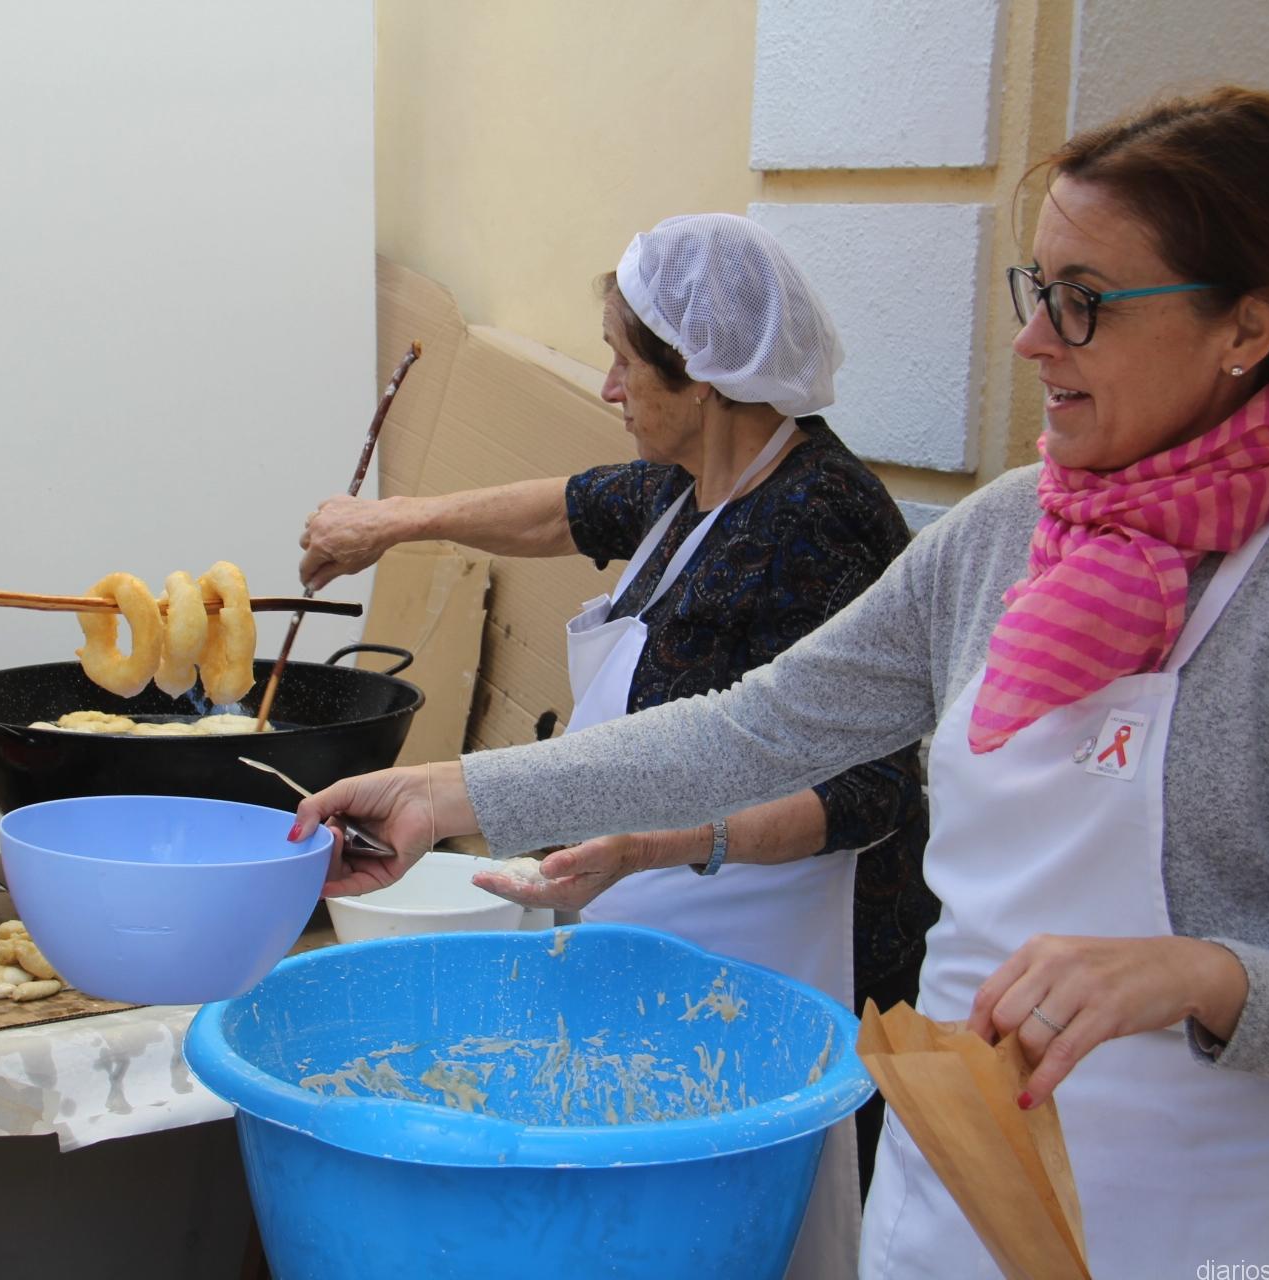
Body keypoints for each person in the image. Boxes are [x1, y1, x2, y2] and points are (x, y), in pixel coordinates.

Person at [292, 88, 1269, 1275]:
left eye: (1084, 302)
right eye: (1036, 289)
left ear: (1248, 325)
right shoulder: (1002, 536)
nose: (1033, 342)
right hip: (958, 1207)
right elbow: (754, 729)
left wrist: (1201, 973)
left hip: (1221, 1228)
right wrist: (442, 793)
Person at [300, 212, 936, 1272]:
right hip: (654, 919)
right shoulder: (687, 488)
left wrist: (666, 844)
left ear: (706, 376)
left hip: (789, 957)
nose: (605, 387)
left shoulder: (819, 520)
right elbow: (560, 510)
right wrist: (395, 522)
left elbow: (872, 790)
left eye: (623, 361)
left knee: (759, 1224)